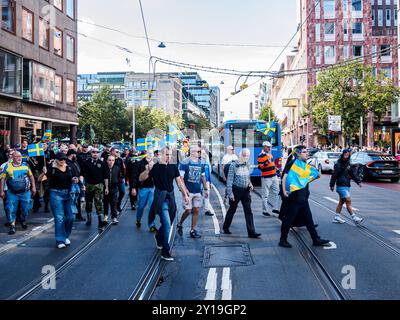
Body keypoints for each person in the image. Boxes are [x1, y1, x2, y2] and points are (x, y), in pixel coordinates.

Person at [142, 146, 189, 261]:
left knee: (169, 221)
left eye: (170, 155)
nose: (169, 157)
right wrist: (147, 170)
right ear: (161, 154)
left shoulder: (173, 166)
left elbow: (179, 182)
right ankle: (165, 251)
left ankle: (158, 236)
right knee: (167, 224)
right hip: (160, 198)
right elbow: (141, 178)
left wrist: (185, 195)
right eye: (167, 154)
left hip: (170, 198)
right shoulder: (155, 167)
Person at [279, 146, 330, 248]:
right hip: (294, 197)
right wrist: (284, 191)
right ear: (298, 154)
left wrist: (315, 177)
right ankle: (282, 240)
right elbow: (284, 177)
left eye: (306, 152)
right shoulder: (292, 163)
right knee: (288, 219)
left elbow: (304, 181)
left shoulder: (304, 165)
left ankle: (315, 239)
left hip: (303, 197)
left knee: (309, 220)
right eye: (304, 152)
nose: (306, 153)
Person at [222, 149, 261, 239]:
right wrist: (230, 194)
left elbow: (247, 177)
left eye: (247, 155)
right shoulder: (233, 165)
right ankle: (226, 227)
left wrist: (250, 184)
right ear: (240, 155)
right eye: (244, 155)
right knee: (232, 209)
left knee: (248, 211)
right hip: (236, 190)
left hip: (246, 191)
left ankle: (251, 232)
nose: (246, 157)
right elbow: (229, 181)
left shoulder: (247, 164)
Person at [43, 153, 77, 249]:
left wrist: (75, 179)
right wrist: (43, 173)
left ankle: (65, 235)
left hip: (68, 194)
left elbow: (74, 177)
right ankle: (60, 240)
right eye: (61, 159)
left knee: (70, 217)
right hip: (56, 194)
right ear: (56, 160)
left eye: (64, 159)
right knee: (59, 218)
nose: (63, 161)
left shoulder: (69, 168)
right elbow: (41, 179)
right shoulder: (52, 169)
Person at [0, 152, 36, 235]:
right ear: (12, 157)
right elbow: (3, 179)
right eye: (17, 156)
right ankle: (12, 226)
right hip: (12, 193)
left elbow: (31, 176)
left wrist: (33, 187)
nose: (19, 158)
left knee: (26, 208)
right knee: (10, 208)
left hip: (25, 192)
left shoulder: (25, 165)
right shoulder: (7, 166)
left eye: (20, 156)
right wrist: (1, 191)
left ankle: (23, 220)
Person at [177, 145, 208, 239]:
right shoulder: (184, 163)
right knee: (188, 210)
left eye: (199, 152)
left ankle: (193, 230)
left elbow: (203, 176)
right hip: (188, 192)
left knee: (196, 210)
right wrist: (184, 189)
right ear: (191, 152)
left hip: (198, 191)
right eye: (196, 151)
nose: (198, 153)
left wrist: (206, 188)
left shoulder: (201, 163)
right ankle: (180, 223)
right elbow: (180, 178)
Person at [329, 149, 363, 224]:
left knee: (341, 202)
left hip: (347, 185)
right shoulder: (338, 164)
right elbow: (334, 175)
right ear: (343, 154)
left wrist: (358, 182)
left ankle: (336, 217)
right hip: (341, 186)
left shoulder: (348, 164)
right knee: (348, 200)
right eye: (345, 154)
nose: (346, 156)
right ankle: (354, 217)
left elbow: (353, 174)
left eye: (348, 155)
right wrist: (332, 185)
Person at [81, 148, 109, 230]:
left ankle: (100, 221)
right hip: (89, 185)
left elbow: (106, 177)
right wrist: (83, 185)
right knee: (89, 203)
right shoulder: (86, 163)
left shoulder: (102, 163)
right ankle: (89, 219)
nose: (95, 153)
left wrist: (106, 187)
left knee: (99, 202)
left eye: (97, 152)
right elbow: (82, 174)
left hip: (99, 185)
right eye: (93, 152)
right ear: (91, 153)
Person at [131, 151, 157, 232]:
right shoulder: (139, 163)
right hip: (143, 188)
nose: (151, 156)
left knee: (151, 207)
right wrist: (133, 188)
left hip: (152, 188)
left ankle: (152, 225)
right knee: (141, 206)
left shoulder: (156, 163)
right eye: (149, 154)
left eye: (152, 155)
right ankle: (138, 219)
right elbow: (134, 176)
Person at [258, 141, 280, 217]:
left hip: (274, 176)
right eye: (268, 147)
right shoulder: (261, 156)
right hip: (266, 178)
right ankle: (265, 211)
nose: (269, 148)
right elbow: (260, 167)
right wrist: (267, 161)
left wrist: (278, 171)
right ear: (264, 147)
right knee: (265, 195)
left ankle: (275, 208)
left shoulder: (270, 154)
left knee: (277, 192)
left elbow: (273, 164)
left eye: (270, 147)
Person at [66, 149, 85, 221]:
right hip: (71, 184)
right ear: (71, 154)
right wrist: (72, 178)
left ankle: (78, 215)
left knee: (77, 200)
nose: (76, 156)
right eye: (74, 154)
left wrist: (81, 184)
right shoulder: (67, 163)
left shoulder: (75, 162)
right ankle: (72, 216)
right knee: (72, 200)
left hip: (77, 183)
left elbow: (78, 172)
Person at [104, 155, 121, 225]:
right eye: (110, 160)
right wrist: (105, 187)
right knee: (105, 202)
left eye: (113, 160)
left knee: (113, 203)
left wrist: (117, 182)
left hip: (114, 188)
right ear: (107, 161)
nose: (111, 162)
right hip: (105, 188)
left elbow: (120, 176)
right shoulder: (104, 168)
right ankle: (105, 216)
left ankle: (114, 217)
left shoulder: (117, 168)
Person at [108, 148, 126, 213]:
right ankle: (114, 208)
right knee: (113, 195)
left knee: (123, 192)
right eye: (117, 152)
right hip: (111, 179)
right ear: (112, 152)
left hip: (120, 179)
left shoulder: (119, 159)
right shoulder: (108, 159)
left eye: (118, 152)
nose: (118, 153)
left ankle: (118, 204)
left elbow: (122, 169)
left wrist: (123, 178)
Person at [201, 149, 214, 216]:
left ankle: (206, 210)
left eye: (204, 154)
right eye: (202, 154)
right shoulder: (198, 163)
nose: (204, 155)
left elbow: (209, 173)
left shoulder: (207, 163)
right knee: (197, 196)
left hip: (207, 182)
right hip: (199, 182)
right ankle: (193, 208)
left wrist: (210, 182)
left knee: (206, 196)